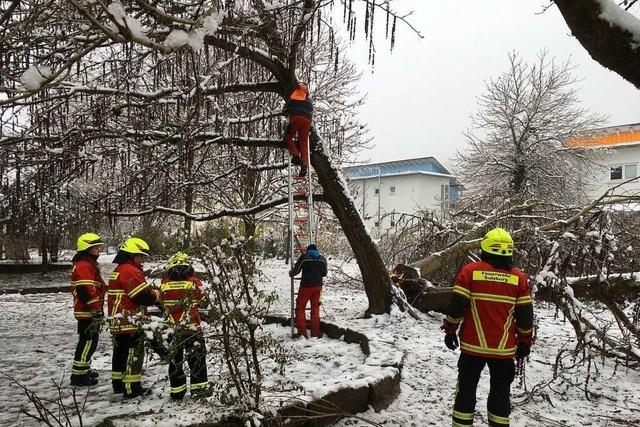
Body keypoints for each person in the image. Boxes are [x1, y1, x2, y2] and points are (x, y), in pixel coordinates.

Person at [442, 228, 534, 427]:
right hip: (504, 350)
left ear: (485, 247)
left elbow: (456, 307)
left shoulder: (470, 272)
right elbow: (525, 317)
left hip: (472, 347)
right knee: (501, 394)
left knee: (466, 391)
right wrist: (525, 342)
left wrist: (450, 330)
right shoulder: (519, 279)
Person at [107, 237, 162, 398]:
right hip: (130, 320)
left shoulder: (119, 270)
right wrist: (157, 296)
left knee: (120, 353)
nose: (143, 259)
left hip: (118, 320)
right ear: (132, 255)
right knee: (134, 353)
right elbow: (141, 297)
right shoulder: (130, 270)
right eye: (141, 255)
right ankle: (132, 388)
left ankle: (118, 384)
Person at [159, 252, 209, 400]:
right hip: (192, 328)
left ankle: (177, 391)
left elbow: (160, 300)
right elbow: (204, 298)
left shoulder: (164, 283)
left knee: (175, 361)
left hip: (171, 330)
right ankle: (199, 390)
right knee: (197, 360)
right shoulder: (194, 281)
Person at [69, 232, 106, 387]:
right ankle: (79, 376)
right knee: (87, 342)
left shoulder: (87, 264)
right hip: (87, 311)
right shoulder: (84, 265)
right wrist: (96, 310)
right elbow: (86, 290)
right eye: (96, 246)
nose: (99, 249)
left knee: (89, 342)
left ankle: (83, 369)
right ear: (87, 248)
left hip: (88, 310)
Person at [289, 244, 327, 338]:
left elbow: (296, 270)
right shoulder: (323, 259)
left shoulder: (304, 258)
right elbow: (324, 273)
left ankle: (302, 332)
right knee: (315, 308)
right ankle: (315, 332)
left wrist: (291, 273)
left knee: (300, 308)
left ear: (308, 250)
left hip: (306, 286)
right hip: (318, 287)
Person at [283, 82, 313, 177]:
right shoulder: (308, 101)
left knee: (288, 138)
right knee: (303, 143)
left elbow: (285, 110)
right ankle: (304, 165)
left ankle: (295, 156)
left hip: (295, 118)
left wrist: (286, 113)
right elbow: (311, 110)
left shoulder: (294, 97)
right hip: (307, 121)